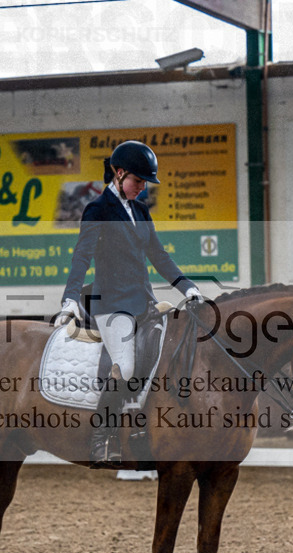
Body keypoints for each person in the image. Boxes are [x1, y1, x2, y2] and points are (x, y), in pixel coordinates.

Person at [54, 141, 202, 468]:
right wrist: (70, 298)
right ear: (119, 174)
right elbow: (82, 257)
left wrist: (187, 287)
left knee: (172, 348)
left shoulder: (141, 210)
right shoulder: (98, 210)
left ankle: (146, 426)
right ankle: (101, 437)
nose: (142, 188)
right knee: (127, 366)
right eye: (138, 181)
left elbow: (158, 255)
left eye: (146, 182)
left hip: (144, 301)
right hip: (112, 305)